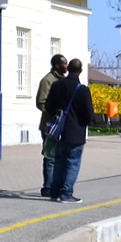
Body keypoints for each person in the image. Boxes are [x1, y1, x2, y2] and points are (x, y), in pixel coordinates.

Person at [44, 58, 94, 204]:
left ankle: (54, 191)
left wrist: (57, 117)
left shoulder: (57, 85)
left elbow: (48, 106)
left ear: (68, 68)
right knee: (72, 163)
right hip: (76, 133)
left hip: (58, 132)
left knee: (58, 161)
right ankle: (66, 193)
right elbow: (89, 114)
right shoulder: (83, 90)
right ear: (80, 70)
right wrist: (83, 123)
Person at [36, 54, 68, 197]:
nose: (66, 66)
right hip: (50, 126)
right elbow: (41, 102)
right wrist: (54, 115)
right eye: (64, 64)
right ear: (57, 65)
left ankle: (58, 185)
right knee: (50, 157)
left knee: (61, 157)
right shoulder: (47, 81)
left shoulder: (64, 81)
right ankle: (47, 187)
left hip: (63, 126)